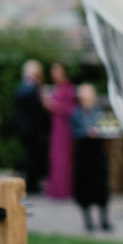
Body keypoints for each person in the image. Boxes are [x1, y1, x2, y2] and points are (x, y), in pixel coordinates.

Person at [71, 83, 111, 231]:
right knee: (84, 188)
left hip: (97, 153)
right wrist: (86, 132)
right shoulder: (76, 113)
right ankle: (88, 221)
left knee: (101, 188)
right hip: (83, 155)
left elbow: (107, 128)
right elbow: (73, 132)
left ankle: (104, 220)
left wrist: (98, 132)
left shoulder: (100, 112)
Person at [43, 62, 76, 199]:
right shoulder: (56, 87)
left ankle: (63, 189)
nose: (55, 74)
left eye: (57, 71)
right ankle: (55, 188)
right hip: (55, 126)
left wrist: (53, 105)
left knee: (63, 158)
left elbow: (71, 109)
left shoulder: (68, 88)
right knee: (54, 157)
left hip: (64, 127)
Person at [16, 60, 45, 193]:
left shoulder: (24, 86)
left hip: (26, 128)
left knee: (31, 156)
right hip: (31, 129)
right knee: (31, 157)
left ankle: (31, 183)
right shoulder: (30, 87)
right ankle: (30, 185)